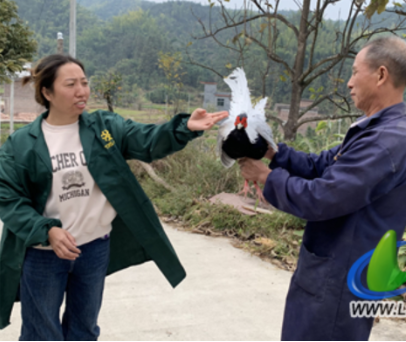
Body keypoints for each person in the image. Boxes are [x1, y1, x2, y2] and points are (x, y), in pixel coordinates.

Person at [0, 54, 228, 341]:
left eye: (84, 82)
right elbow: (8, 199)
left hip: (93, 249)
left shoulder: (104, 127)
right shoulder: (21, 145)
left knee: (84, 328)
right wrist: (47, 231)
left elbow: (146, 140)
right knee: (41, 333)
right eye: (70, 84)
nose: (81, 91)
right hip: (44, 254)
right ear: (47, 92)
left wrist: (184, 128)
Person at [240, 36, 406, 341]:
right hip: (334, 271)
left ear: (381, 75)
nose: (349, 83)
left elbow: (321, 198)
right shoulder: (376, 128)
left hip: (340, 281)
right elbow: (322, 165)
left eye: (356, 72)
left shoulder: (387, 142)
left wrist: (265, 176)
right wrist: (272, 152)